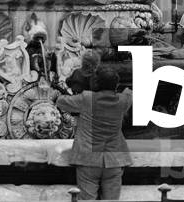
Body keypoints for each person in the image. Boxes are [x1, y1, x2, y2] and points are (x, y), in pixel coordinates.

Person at [57, 66, 133, 200]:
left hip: (88, 159)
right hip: (114, 159)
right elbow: (129, 93)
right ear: (116, 84)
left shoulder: (87, 99)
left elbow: (61, 102)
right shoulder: (124, 100)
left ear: (95, 83)